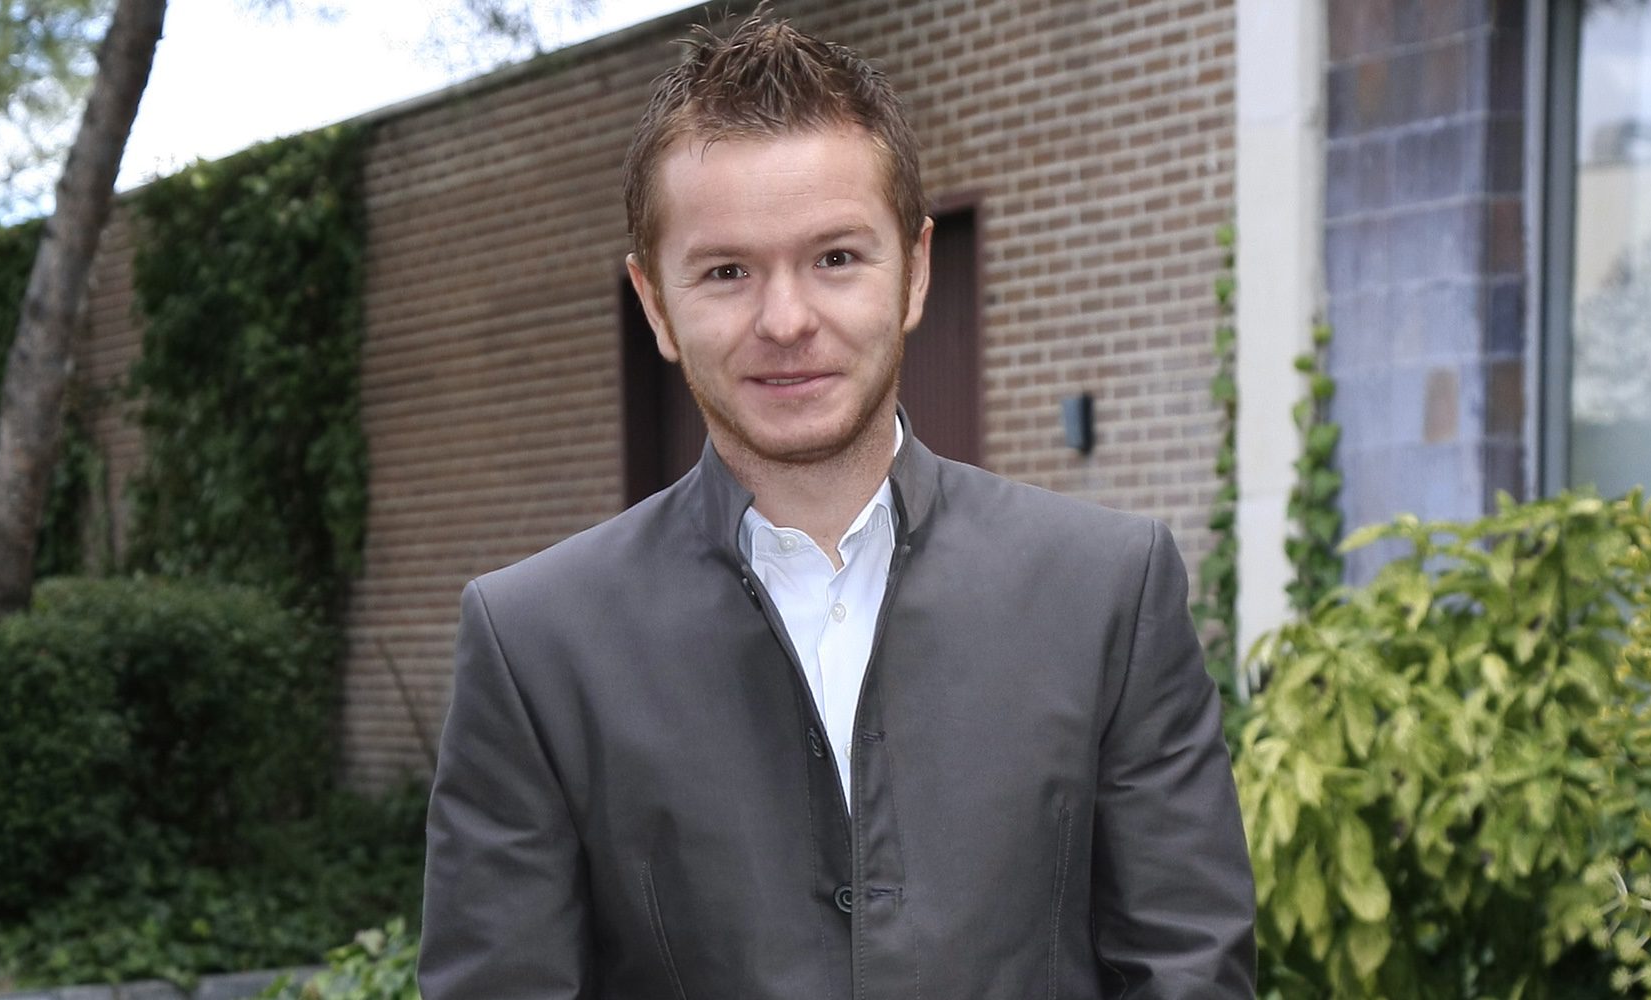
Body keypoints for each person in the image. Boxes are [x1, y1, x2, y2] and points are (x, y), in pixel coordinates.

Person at [420, 11, 1255, 998]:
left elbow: (1186, 969)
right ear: (656, 305)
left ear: (915, 271)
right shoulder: (532, 643)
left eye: (835, 259)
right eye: (727, 272)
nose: (786, 321)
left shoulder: (1108, 589)